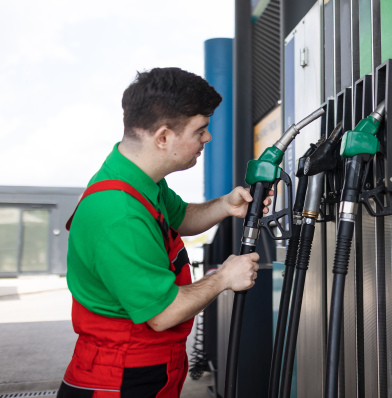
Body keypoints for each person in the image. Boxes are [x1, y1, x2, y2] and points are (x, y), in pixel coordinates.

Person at [57, 67, 271, 397]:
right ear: (163, 137)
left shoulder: (138, 179)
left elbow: (182, 216)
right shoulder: (118, 214)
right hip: (118, 379)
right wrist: (224, 277)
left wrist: (226, 205)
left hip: (150, 365)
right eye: (200, 130)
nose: (207, 138)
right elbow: (162, 313)